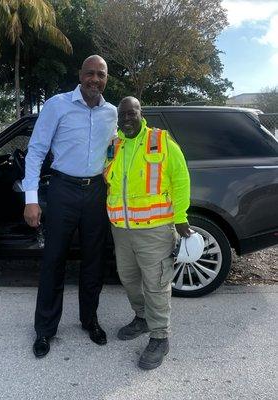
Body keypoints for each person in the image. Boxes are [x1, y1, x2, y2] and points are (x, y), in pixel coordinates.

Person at [22, 55, 117, 358]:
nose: (94, 79)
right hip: (62, 189)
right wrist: (31, 199)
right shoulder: (57, 104)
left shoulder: (112, 113)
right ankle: (45, 330)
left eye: (100, 75)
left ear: (106, 79)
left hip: (96, 193)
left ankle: (90, 320)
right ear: (80, 75)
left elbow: (119, 154)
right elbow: (36, 151)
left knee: (94, 261)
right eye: (90, 73)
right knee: (54, 260)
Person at [104, 96, 191, 370]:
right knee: (128, 279)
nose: (127, 119)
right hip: (122, 229)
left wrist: (180, 217)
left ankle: (160, 337)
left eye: (132, 113)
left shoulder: (161, 140)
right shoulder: (114, 145)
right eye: (123, 115)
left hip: (155, 230)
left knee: (156, 284)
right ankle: (141, 318)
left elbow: (181, 179)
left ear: (141, 113)